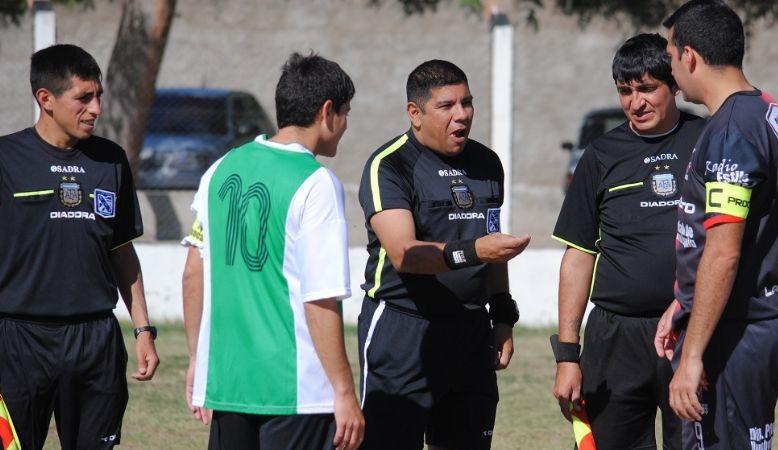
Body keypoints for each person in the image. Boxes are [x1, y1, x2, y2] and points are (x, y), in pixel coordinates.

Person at [182, 52, 364, 450]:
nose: (346, 125)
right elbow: (319, 298)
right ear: (327, 111)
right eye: (346, 113)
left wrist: (198, 361)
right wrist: (344, 391)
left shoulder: (221, 169)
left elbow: (193, 273)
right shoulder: (316, 183)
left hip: (229, 383)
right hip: (295, 391)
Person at [357, 59, 530, 450]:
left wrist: (501, 315)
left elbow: (492, 248)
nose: (462, 115)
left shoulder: (487, 164)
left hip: (470, 331)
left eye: (467, 103)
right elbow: (404, 254)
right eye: (447, 106)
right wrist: (475, 251)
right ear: (414, 113)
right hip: (402, 331)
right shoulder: (390, 165)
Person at [654, 1, 778, 449]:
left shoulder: (731, 131)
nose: (671, 71)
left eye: (671, 56)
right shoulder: (769, 114)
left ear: (690, 56)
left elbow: (724, 249)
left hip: (736, 331)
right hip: (755, 320)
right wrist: (684, 301)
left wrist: (692, 355)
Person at [0, 44, 159, 450]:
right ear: (46, 99)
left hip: (95, 341)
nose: (96, 109)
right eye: (84, 98)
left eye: (98, 96)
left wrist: (142, 329)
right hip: (18, 341)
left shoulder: (111, 161)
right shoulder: (6, 159)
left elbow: (122, 251)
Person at [551, 33, 705, 450]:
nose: (636, 102)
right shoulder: (601, 155)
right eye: (625, 91)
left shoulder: (710, 139)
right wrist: (567, 356)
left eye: (647, 88)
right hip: (614, 337)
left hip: (692, 331)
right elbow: (578, 255)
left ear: (674, 83)